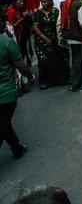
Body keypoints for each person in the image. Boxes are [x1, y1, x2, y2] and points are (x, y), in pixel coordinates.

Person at [0, 33, 34, 181]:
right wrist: (31, 76)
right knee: (3, 124)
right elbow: (22, 66)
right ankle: (17, 148)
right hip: (5, 94)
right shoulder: (7, 43)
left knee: (4, 123)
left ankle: (17, 148)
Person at [32, 0, 69, 89]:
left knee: (56, 59)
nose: (43, 4)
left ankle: (57, 80)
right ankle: (43, 81)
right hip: (41, 41)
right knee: (43, 60)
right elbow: (35, 28)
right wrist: (44, 38)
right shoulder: (39, 13)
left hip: (54, 40)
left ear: (50, 1)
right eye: (42, 2)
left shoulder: (56, 12)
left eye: (45, 1)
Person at [61, 0, 82, 92]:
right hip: (78, 37)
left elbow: (61, 21)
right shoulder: (78, 4)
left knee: (74, 59)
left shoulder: (66, 4)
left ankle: (74, 81)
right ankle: (77, 84)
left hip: (69, 36)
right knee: (78, 61)